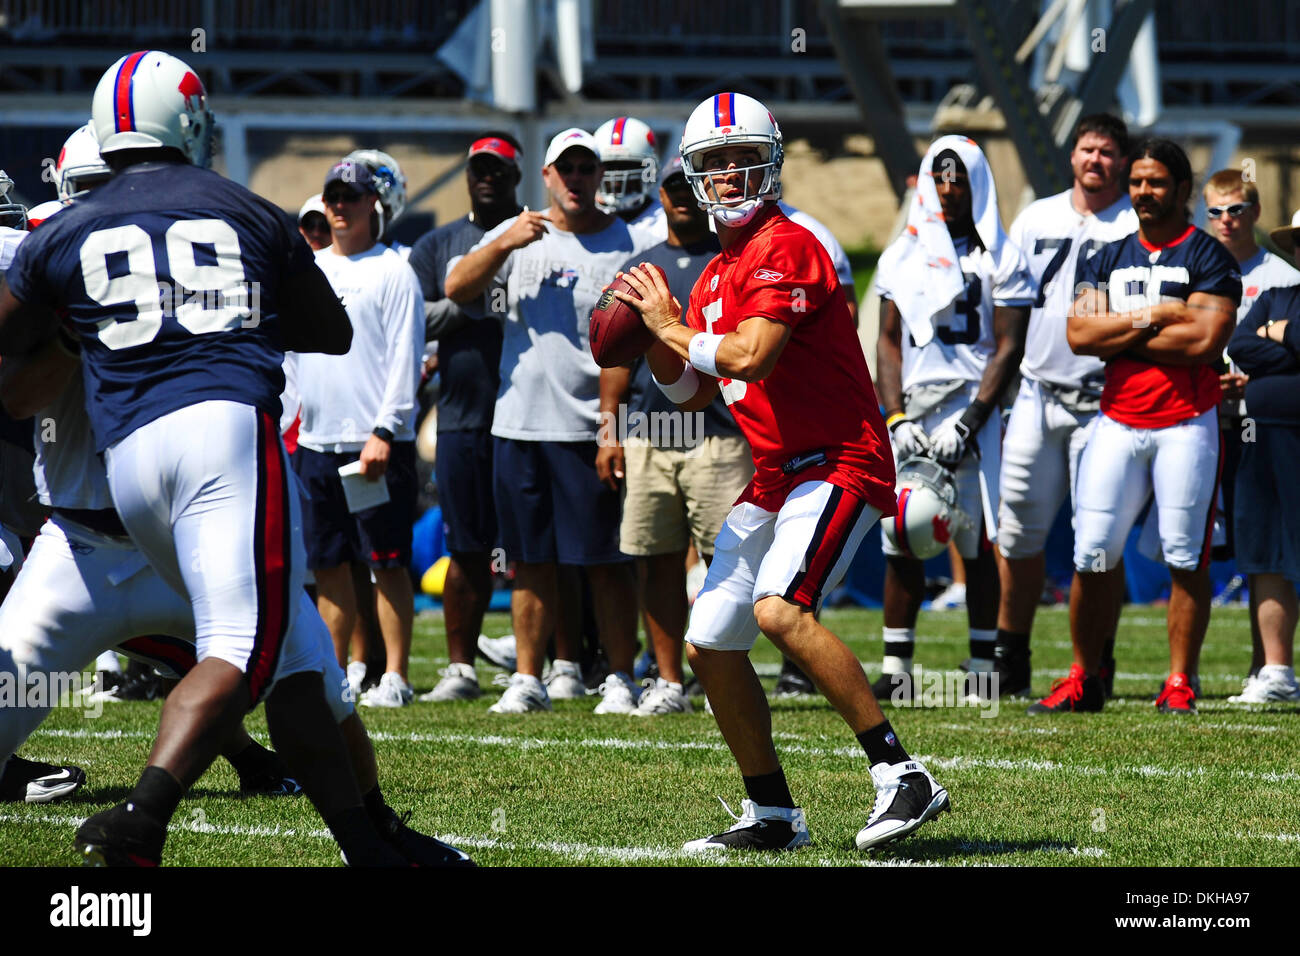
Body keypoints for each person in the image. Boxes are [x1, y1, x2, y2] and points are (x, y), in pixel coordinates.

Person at [0, 50, 418, 866]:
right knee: (261, 653)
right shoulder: (202, 217)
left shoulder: (65, 243)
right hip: (84, 544)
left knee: (313, 676)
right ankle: (152, 814)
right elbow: (15, 395)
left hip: (167, 523)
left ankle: (373, 839)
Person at [615, 91, 948, 852]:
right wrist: (656, 343)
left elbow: (751, 357)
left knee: (778, 609)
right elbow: (696, 389)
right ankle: (771, 812)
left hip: (840, 456)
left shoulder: (787, 243)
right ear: (695, 177)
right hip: (776, 474)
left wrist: (673, 329)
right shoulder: (710, 278)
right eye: (714, 163)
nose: (730, 175)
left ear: (769, 160)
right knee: (711, 641)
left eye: (742, 158)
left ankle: (902, 775)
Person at [445, 128, 656, 715]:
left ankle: (619, 676)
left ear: (598, 177)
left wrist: (612, 429)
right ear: (547, 176)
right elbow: (456, 287)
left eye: (587, 169)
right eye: (566, 169)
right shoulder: (521, 234)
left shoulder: (625, 243)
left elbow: (635, 342)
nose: (577, 179)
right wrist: (505, 241)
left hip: (589, 424)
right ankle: (528, 677)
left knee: (605, 563)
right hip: (518, 424)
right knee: (528, 562)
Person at [1033, 138, 1240, 715]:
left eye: (1156, 182)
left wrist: (1122, 330)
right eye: (1138, 182)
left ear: (1181, 189)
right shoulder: (1105, 255)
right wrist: (1159, 313)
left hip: (1185, 422)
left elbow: (1203, 341)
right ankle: (1082, 674)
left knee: (1183, 556)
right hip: (1116, 421)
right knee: (1091, 552)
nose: (1145, 192)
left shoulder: (1209, 256)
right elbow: (1080, 336)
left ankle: (1180, 680)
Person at [873, 135, 1035, 700]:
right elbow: (888, 343)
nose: (947, 189)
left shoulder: (1003, 255)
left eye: (958, 178)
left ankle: (983, 669)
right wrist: (894, 417)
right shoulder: (902, 254)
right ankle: (897, 672)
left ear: (978, 184)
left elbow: (1008, 347)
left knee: (975, 538)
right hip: (913, 413)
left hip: (975, 409)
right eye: (939, 178)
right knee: (901, 534)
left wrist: (970, 420)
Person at [598, 156, 751, 716]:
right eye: (672, 187)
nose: (681, 195)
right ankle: (667, 681)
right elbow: (615, 357)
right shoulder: (638, 269)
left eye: (690, 185)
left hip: (721, 434)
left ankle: (725, 673)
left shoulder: (729, 261)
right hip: (649, 433)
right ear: (659, 196)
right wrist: (609, 430)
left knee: (731, 562)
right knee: (656, 559)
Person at [994, 114, 1136, 697]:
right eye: (1086, 148)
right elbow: (1011, 307)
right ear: (1072, 155)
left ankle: (1097, 658)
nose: (1095, 159)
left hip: (1107, 401)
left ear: (1123, 161)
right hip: (1037, 391)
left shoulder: (1134, 222)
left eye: (1106, 151)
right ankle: (1011, 655)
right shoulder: (1037, 217)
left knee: (1100, 539)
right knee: (1017, 535)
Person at [289, 159, 424, 708]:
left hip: (374, 443)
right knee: (328, 564)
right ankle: (338, 669)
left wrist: (386, 430)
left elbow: (404, 357)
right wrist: (283, 424)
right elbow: (293, 361)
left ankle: (395, 674)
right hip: (317, 442)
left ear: (375, 205)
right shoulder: (310, 269)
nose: (339, 206)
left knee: (386, 561)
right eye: (332, 196)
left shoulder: (393, 270)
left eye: (351, 196)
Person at [406, 132, 521, 701]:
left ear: (517, 176)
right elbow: (416, 317)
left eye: (499, 170)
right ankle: (461, 668)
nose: (488, 177)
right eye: (479, 169)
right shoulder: (439, 243)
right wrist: (472, 298)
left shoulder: (538, 232)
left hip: (532, 416)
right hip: (461, 415)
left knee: (542, 551)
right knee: (466, 546)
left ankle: (559, 662)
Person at [1202, 171, 1300, 684]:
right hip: (1199, 419)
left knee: (1266, 542)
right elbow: (1242, 342)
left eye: (1235, 209)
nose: (1225, 220)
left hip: (1256, 424)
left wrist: (1264, 359)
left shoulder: (1280, 277)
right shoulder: (1197, 263)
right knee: (1212, 545)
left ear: (1255, 214)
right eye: (1215, 211)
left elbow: (1263, 351)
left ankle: (1266, 661)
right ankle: (1191, 673)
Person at [594, 116, 664, 238]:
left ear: (650, 169)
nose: (616, 178)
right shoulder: (584, 219)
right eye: (608, 166)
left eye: (625, 165)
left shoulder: (664, 224)